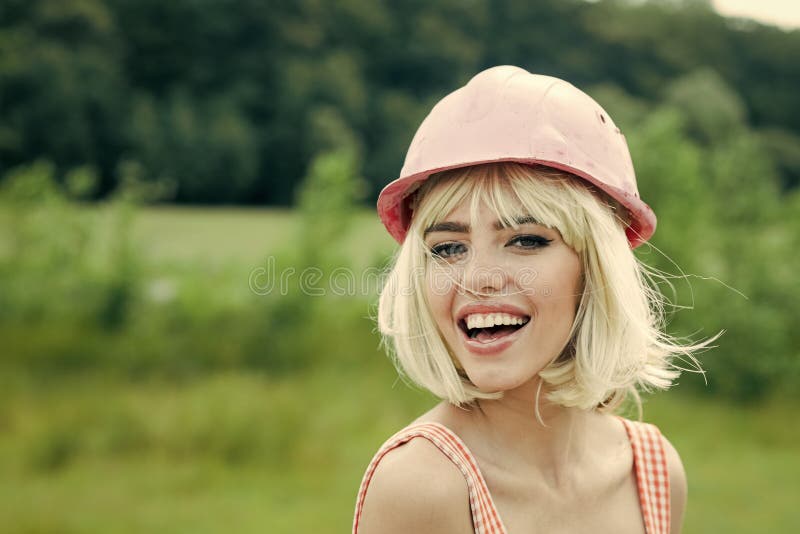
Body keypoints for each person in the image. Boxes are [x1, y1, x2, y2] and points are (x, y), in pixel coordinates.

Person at [353, 65, 707, 534]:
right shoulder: (422, 487)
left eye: (526, 240)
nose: (478, 279)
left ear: (596, 266)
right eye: (448, 248)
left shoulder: (654, 473)